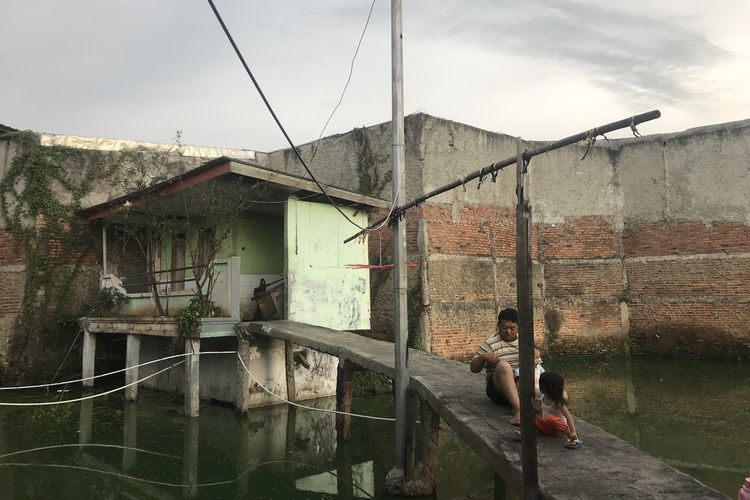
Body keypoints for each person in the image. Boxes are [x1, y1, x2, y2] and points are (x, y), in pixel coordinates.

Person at [470, 308, 521, 425]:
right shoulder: (490, 343)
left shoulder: (524, 341)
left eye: (512, 328)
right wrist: (483, 357)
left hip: (519, 386)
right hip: (498, 390)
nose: (508, 331)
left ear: (518, 327)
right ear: (498, 325)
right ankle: (518, 410)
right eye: (504, 327)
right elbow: (473, 368)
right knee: (503, 366)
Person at [535, 371, 581, 449]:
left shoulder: (557, 402)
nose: (539, 387)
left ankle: (572, 437)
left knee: (550, 419)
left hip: (557, 429)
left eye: (541, 386)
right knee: (530, 414)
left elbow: (568, 416)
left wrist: (573, 431)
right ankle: (522, 430)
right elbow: (537, 411)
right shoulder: (542, 397)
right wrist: (536, 409)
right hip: (545, 427)